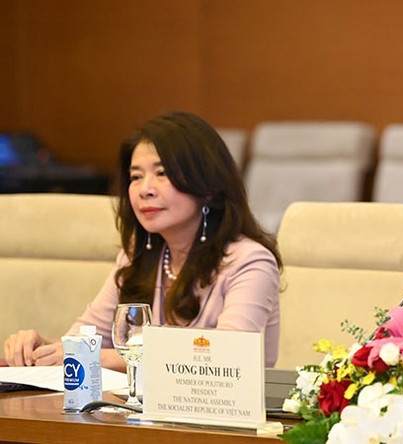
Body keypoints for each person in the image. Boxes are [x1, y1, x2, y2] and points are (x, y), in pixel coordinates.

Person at [3, 111, 282, 370]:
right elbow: (87, 339)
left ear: (207, 186)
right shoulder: (138, 256)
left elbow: (226, 357)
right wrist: (43, 349)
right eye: (136, 176)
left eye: (162, 173)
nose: (144, 189)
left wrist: (100, 356)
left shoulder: (250, 261)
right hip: (138, 408)